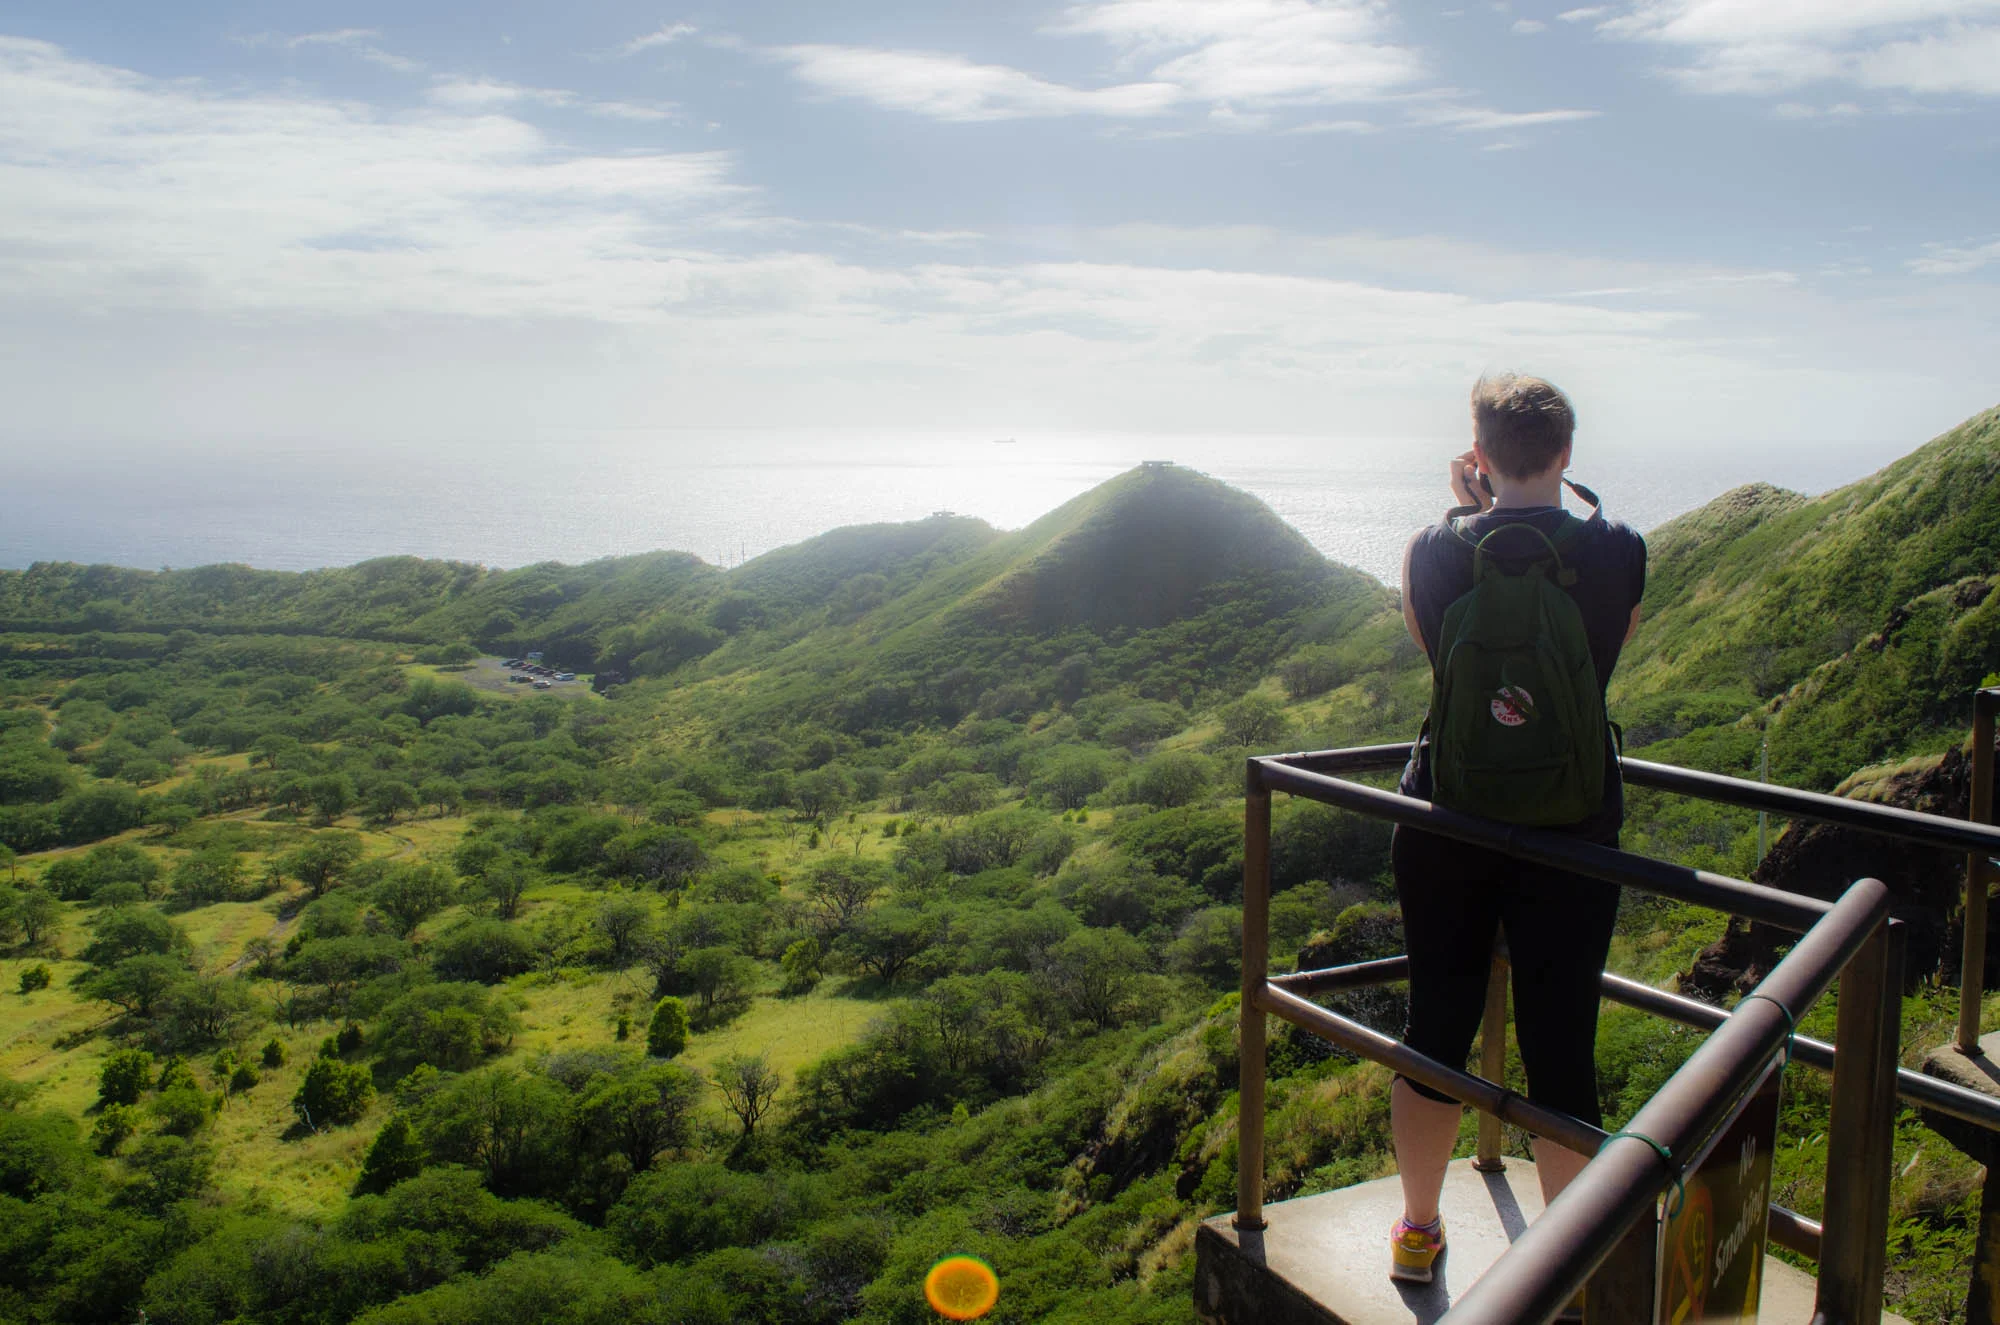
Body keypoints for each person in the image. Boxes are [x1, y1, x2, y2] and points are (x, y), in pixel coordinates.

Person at [1386, 374, 1647, 1285]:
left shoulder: (1433, 549)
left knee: (1434, 1031)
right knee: (1562, 1050)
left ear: (1479, 452)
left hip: (1448, 824)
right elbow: (1607, 654)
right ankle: (1566, 1275)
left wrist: (1464, 513)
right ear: (1566, 452)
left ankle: (1418, 1233)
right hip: (1572, 835)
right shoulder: (1618, 549)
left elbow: (1433, 651)